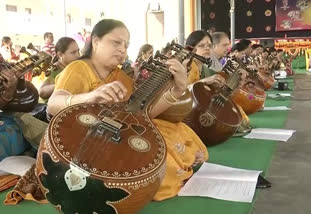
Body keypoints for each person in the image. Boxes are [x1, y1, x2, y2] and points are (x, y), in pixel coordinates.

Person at [47, 19, 208, 201]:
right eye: (116, 42)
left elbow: (141, 115)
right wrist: (90, 97)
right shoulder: (78, 68)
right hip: (85, 139)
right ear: (96, 41)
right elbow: (53, 104)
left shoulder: (121, 77)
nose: (123, 49)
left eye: (126, 44)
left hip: (117, 137)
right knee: (155, 165)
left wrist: (177, 90)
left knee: (177, 130)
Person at [39, 37, 80, 102]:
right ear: (60, 54)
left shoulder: (74, 66)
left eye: (78, 51)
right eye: (73, 52)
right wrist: (64, 85)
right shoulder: (55, 69)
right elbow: (42, 92)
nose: (78, 55)